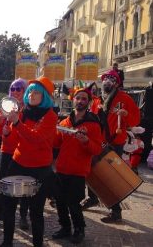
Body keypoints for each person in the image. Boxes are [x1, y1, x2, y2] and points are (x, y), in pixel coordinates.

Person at [0, 76, 57, 247]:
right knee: (8, 205)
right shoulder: (22, 113)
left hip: (40, 168)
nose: (31, 95)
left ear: (45, 96)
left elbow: (36, 138)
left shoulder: (50, 116)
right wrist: (6, 133)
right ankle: (7, 242)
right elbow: (11, 142)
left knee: (36, 211)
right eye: (30, 91)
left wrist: (16, 123)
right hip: (19, 163)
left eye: (36, 92)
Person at [82, 69, 140, 223]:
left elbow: (135, 120)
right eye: (105, 78)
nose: (107, 81)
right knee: (92, 172)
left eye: (111, 79)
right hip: (98, 142)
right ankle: (92, 198)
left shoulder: (124, 98)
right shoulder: (97, 100)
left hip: (115, 143)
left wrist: (126, 115)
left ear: (117, 83)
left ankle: (116, 211)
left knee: (111, 177)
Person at [52, 87, 103, 244]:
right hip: (61, 168)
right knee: (60, 201)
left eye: (84, 99)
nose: (80, 101)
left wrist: (86, 141)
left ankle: (79, 229)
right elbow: (56, 143)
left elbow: (97, 149)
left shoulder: (94, 123)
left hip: (78, 170)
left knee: (73, 203)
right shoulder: (65, 122)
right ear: (72, 100)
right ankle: (65, 227)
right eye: (78, 98)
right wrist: (53, 130)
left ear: (88, 102)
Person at [0, 78, 29, 229]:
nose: (15, 92)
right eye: (13, 89)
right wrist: (1, 125)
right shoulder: (5, 107)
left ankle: (22, 216)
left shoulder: (28, 110)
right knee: (2, 183)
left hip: (22, 152)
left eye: (18, 89)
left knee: (23, 184)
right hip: (6, 150)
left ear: (24, 91)